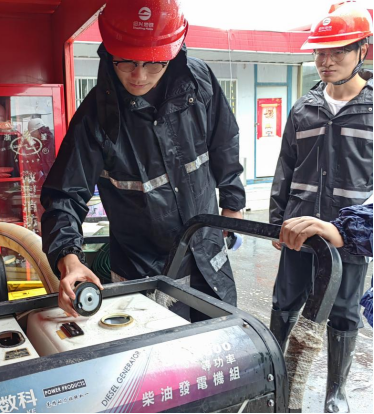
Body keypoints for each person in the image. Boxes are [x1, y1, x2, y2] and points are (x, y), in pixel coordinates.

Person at [40, 0, 245, 321]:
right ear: (109, 52)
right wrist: (69, 258)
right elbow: (64, 196)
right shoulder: (95, 119)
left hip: (207, 251)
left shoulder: (199, 82)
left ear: (172, 55)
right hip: (143, 268)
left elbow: (225, 140)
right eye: (126, 62)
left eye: (153, 64)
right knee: (159, 349)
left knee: (220, 340)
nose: (139, 75)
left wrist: (233, 204)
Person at [269, 3, 373, 413]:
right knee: (285, 303)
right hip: (298, 228)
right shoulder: (303, 109)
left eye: (338, 51)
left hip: (348, 237)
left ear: (362, 50)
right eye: (319, 52)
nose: (325, 61)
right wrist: (276, 221)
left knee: (343, 313)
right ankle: (274, 380)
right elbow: (286, 167)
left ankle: (336, 391)